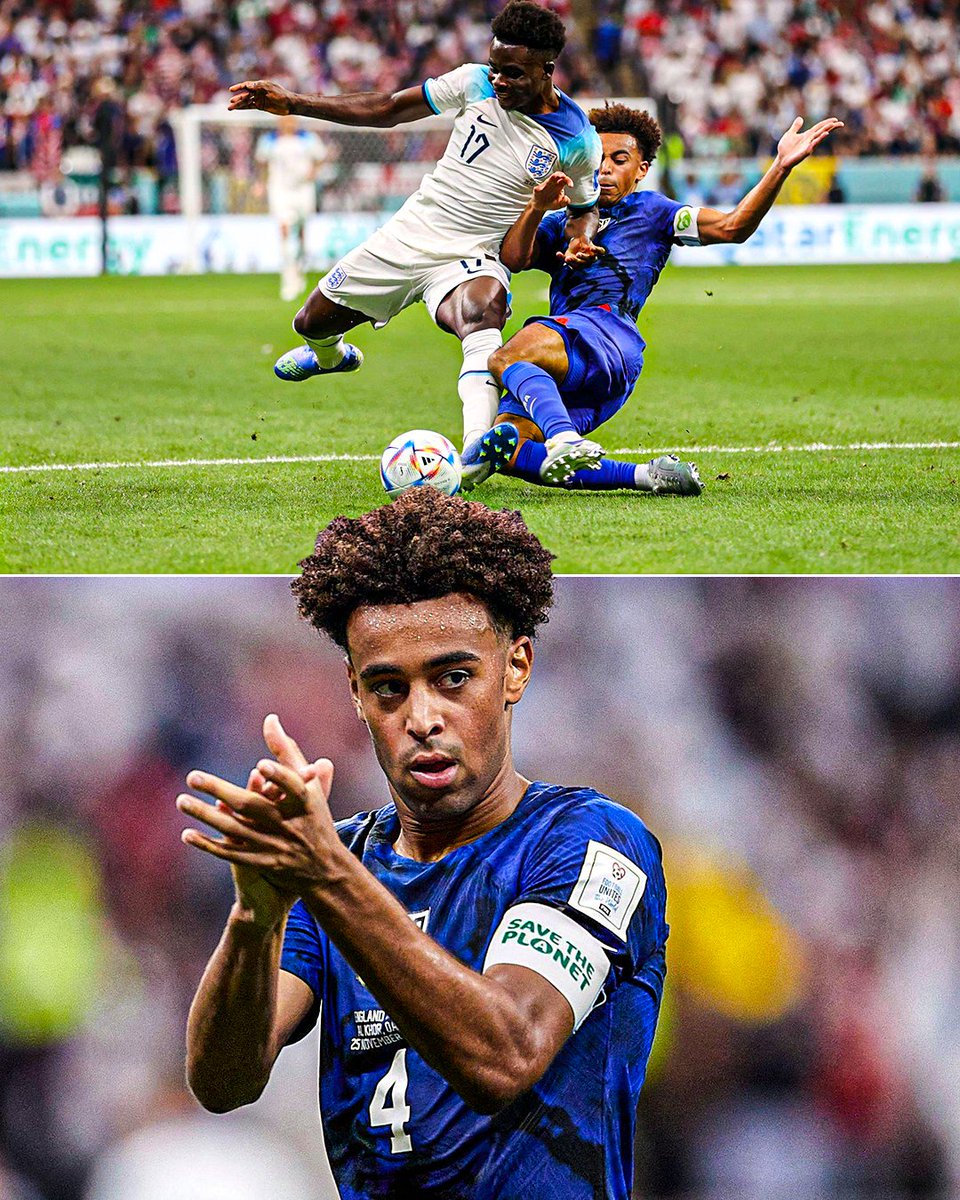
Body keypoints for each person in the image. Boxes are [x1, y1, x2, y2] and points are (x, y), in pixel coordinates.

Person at [179, 488, 668, 1200]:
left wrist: (327, 877)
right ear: (355, 691)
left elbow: (508, 1054)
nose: (422, 717)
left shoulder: (589, 843)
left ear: (516, 668)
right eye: (388, 688)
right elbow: (223, 1082)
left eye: (454, 678)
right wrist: (255, 914)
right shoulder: (335, 863)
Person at [227, 1, 603, 453]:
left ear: (547, 70)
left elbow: (585, 207)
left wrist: (581, 237)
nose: (499, 81)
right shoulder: (474, 82)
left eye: (513, 73)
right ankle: (330, 356)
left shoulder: (577, 138)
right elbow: (387, 107)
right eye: (495, 68)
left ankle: (476, 448)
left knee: (482, 315)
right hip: (411, 232)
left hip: (475, 252)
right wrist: (293, 103)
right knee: (310, 323)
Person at [461, 103, 843, 491]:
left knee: (506, 356)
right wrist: (536, 207)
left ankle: (563, 438)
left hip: (607, 333)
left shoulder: (652, 211)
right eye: (598, 158)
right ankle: (648, 475)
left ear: (642, 169)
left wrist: (780, 166)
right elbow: (516, 257)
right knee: (507, 447)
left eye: (619, 159)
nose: (605, 169)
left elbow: (732, 227)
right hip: (571, 360)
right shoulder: (564, 220)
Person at [255, 114, 328, 302]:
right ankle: (289, 278)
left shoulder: (308, 139)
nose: (288, 122)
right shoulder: (269, 141)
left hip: (303, 190)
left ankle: (300, 266)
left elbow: (321, 157)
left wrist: (313, 172)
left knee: (301, 231)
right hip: (280, 190)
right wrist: (261, 183)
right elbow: (261, 163)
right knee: (285, 229)